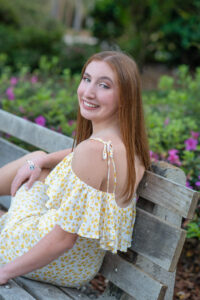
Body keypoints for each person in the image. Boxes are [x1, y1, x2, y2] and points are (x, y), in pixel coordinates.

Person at [0, 51, 151, 287]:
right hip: (80, 266)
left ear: (125, 97)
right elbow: (73, 155)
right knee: (38, 161)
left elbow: (63, 240)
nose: (88, 92)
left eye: (104, 85)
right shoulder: (126, 146)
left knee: (37, 159)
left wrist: (5, 272)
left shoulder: (93, 151)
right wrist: (37, 162)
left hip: (40, 256)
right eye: (87, 79)